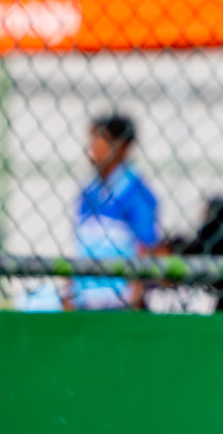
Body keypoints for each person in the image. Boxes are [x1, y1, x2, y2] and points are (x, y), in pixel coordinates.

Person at [69, 113, 159, 310]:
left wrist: (134, 299)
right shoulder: (88, 192)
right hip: (84, 302)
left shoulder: (137, 194)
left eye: (99, 140)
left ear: (121, 146)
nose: (92, 148)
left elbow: (145, 248)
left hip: (118, 303)